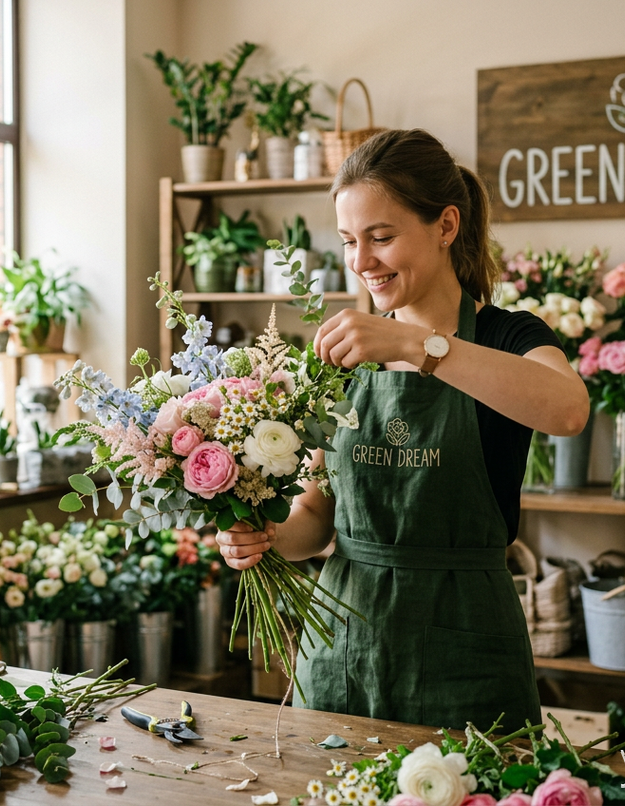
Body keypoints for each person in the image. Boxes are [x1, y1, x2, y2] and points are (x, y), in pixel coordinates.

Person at [216, 129, 590, 732]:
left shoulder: (506, 336)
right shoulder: (341, 355)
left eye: (381, 237)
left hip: (465, 653)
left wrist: (416, 344)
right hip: (342, 647)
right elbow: (317, 515)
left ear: (446, 226)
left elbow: (568, 410)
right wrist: (265, 536)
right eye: (347, 242)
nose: (361, 262)